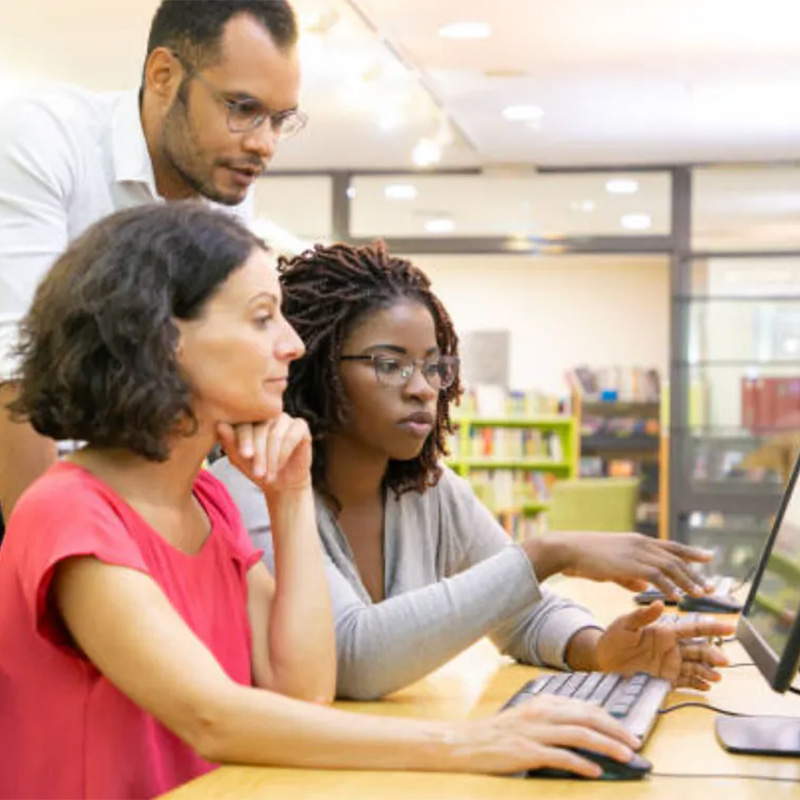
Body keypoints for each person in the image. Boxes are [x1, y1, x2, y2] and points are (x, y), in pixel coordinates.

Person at [0, 203, 660, 798]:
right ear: (161, 340)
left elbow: (303, 687)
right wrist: (470, 743)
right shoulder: (70, 512)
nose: (291, 344)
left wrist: (289, 499)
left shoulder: (206, 500)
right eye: (263, 318)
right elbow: (211, 717)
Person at [212, 242, 734, 701]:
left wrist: (601, 651)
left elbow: (521, 612)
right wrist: (548, 552)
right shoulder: (257, 487)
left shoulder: (430, 491)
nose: (423, 388)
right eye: (390, 364)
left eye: (435, 366)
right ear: (316, 367)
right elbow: (352, 658)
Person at [0, 0, 305, 527]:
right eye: (242, 107)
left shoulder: (223, 184)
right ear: (163, 75)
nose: (263, 143)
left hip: (126, 485)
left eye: (280, 119)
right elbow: (12, 377)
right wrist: (57, 566)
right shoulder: (42, 140)